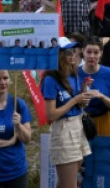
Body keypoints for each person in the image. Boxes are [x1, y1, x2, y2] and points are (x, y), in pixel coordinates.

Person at [42, 37, 92, 188]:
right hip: (63, 129)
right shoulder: (50, 79)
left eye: (74, 51)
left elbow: (79, 104)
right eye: (68, 52)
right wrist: (75, 100)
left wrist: (83, 91)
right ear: (58, 55)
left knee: (65, 182)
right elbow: (51, 115)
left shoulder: (73, 74)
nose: (73, 55)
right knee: (70, 184)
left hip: (77, 125)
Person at [79, 38, 110, 185]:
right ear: (82, 52)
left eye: (96, 52)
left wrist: (103, 97)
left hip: (103, 121)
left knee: (103, 165)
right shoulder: (74, 73)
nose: (92, 56)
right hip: (79, 121)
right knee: (81, 164)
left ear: (101, 54)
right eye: (89, 52)